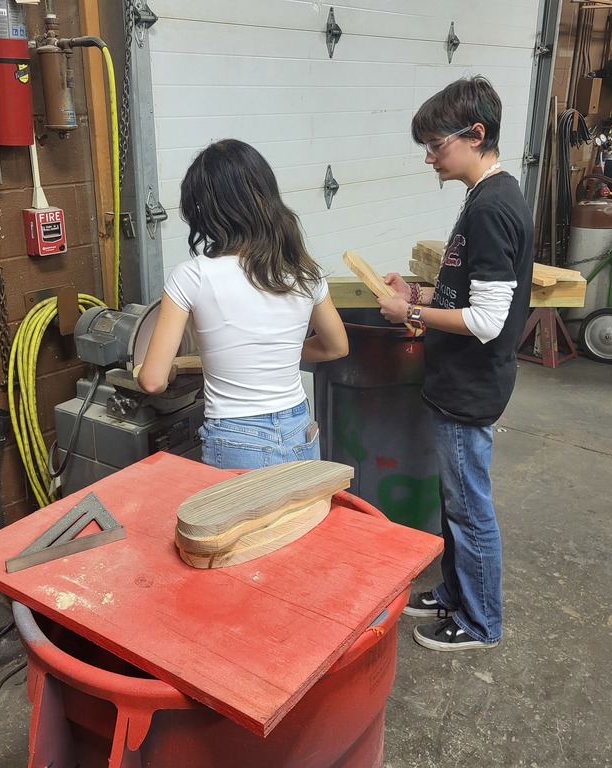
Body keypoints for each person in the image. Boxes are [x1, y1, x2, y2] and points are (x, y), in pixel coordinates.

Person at [376, 76, 534, 651]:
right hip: (458, 381)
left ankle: (480, 621)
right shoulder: (487, 197)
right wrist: (414, 294)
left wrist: (408, 315)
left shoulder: (492, 208)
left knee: (469, 510)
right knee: (455, 502)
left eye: (436, 145)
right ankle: (456, 591)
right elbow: (466, 296)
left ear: (476, 135)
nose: (429, 157)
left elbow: (488, 320)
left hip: (470, 385)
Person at [138, 139, 348, 469]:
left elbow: (152, 380)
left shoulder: (192, 276)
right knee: (298, 522)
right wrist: (282, 350)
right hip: (298, 429)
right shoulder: (303, 271)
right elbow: (337, 347)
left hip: (236, 436)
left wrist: (160, 371)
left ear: (205, 209)